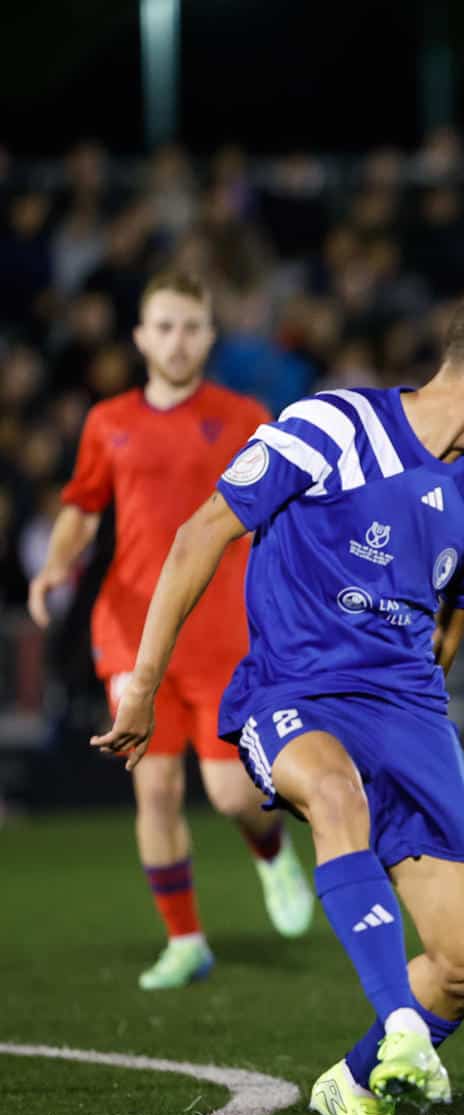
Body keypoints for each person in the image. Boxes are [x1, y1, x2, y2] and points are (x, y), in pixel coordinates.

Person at [92, 282, 464, 1115]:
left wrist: (414, 732)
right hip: (292, 693)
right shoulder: (328, 426)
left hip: (408, 717)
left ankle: (355, 1086)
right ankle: (399, 1021)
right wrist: (145, 689)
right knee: (332, 789)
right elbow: (201, 534)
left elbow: (447, 636)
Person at [28, 270, 311, 990]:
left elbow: (286, 509)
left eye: (191, 326)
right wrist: (56, 564)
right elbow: (84, 506)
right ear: (140, 337)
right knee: (152, 787)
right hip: (129, 626)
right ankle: (186, 940)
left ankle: (271, 848)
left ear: (209, 335)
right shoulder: (108, 421)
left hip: (224, 632)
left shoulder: (248, 414)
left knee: (231, 795)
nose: (178, 340)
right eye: (164, 326)